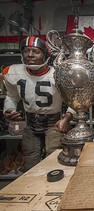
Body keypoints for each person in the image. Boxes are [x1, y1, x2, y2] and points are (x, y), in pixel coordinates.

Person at [2, 36, 73, 172]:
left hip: (54, 123)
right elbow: (11, 96)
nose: (30, 55)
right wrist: (9, 110)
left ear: (45, 54)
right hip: (30, 123)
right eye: (26, 51)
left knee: (54, 159)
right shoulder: (13, 73)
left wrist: (67, 118)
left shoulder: (58, 74)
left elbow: (73, 100)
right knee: (30, 162)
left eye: (35, 51)